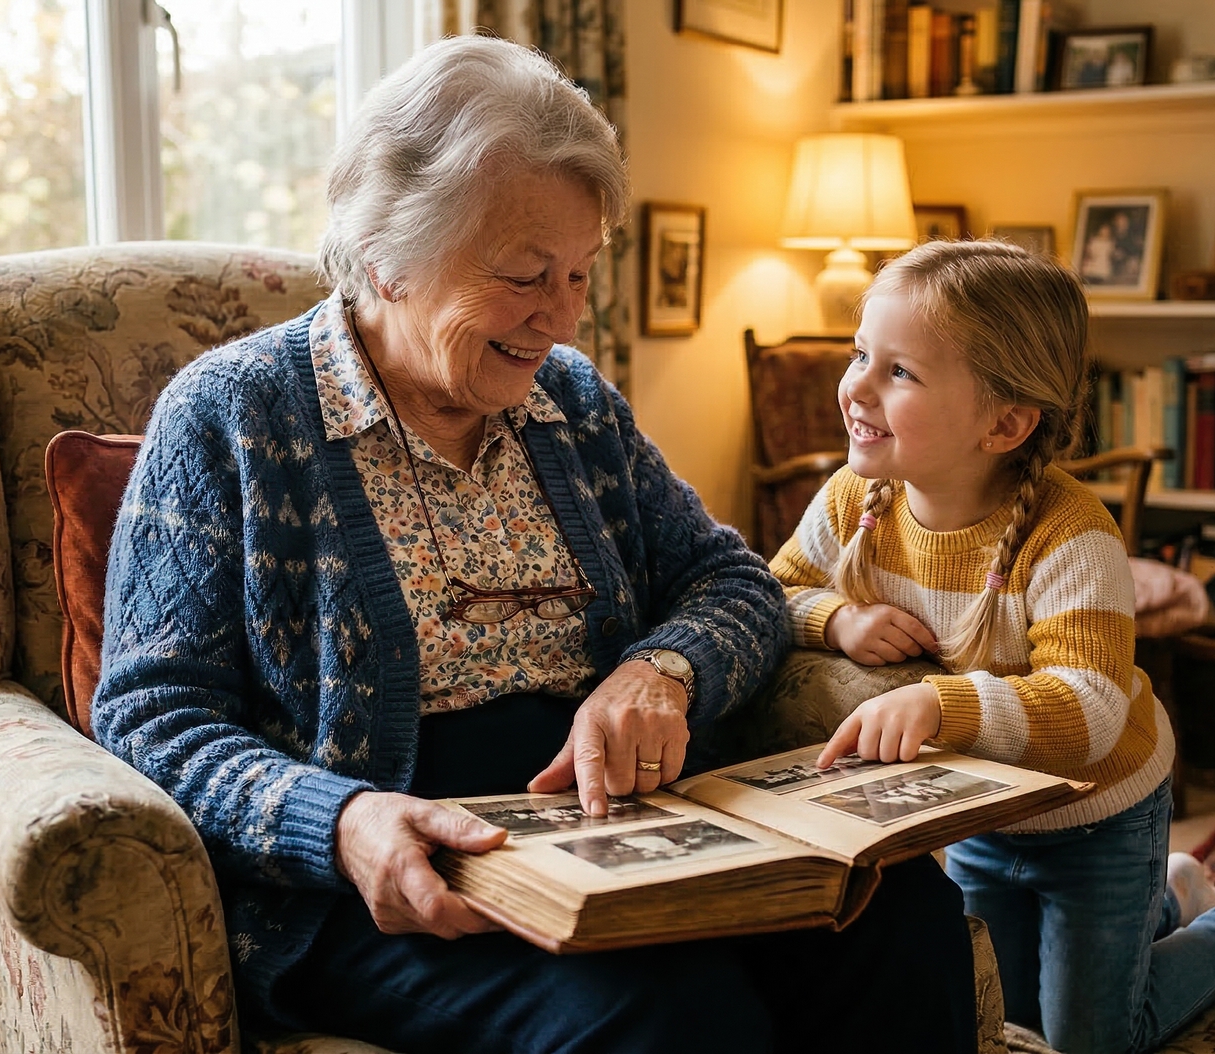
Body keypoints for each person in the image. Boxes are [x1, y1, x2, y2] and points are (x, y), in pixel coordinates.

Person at [93, 34, 982, 1054]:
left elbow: (731, 580)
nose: (560, 317)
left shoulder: (569, 406)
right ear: (387, 256)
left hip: (620, 829)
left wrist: (660, 670)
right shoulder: (233, 414)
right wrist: (339, 822)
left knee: (900, 913)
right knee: (669, 1017)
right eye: (524, 275)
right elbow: (151, 718)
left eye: (577, 273)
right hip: (399, 871)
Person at [769, 240, 1215, 1054]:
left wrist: (941, 700)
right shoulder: (852, 498)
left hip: (1097, 818)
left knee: (1091, 1040)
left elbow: (1091, 710)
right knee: (1009, 1021)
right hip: (984, 820)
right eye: (862, 354)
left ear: (1005, 422)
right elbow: (773, 592)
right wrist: (838, 620)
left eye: (900, 372)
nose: (856, 385)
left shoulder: (1073, 536)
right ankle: (1174, 897)